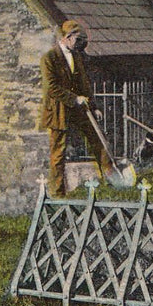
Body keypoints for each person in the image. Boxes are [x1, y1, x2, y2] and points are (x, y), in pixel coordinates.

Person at [38, 20, 114, 197]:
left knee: (98, 141)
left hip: (79, 108)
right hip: (59, 111)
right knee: (58, 154)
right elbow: (52, 88)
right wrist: (74, 98)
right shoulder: (49, 58)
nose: (81, 44)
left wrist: (94, 107)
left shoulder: (76, 56)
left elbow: (84, 85)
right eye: (78, 40)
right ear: (68, 37)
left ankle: (111, 180)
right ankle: (58, 194)